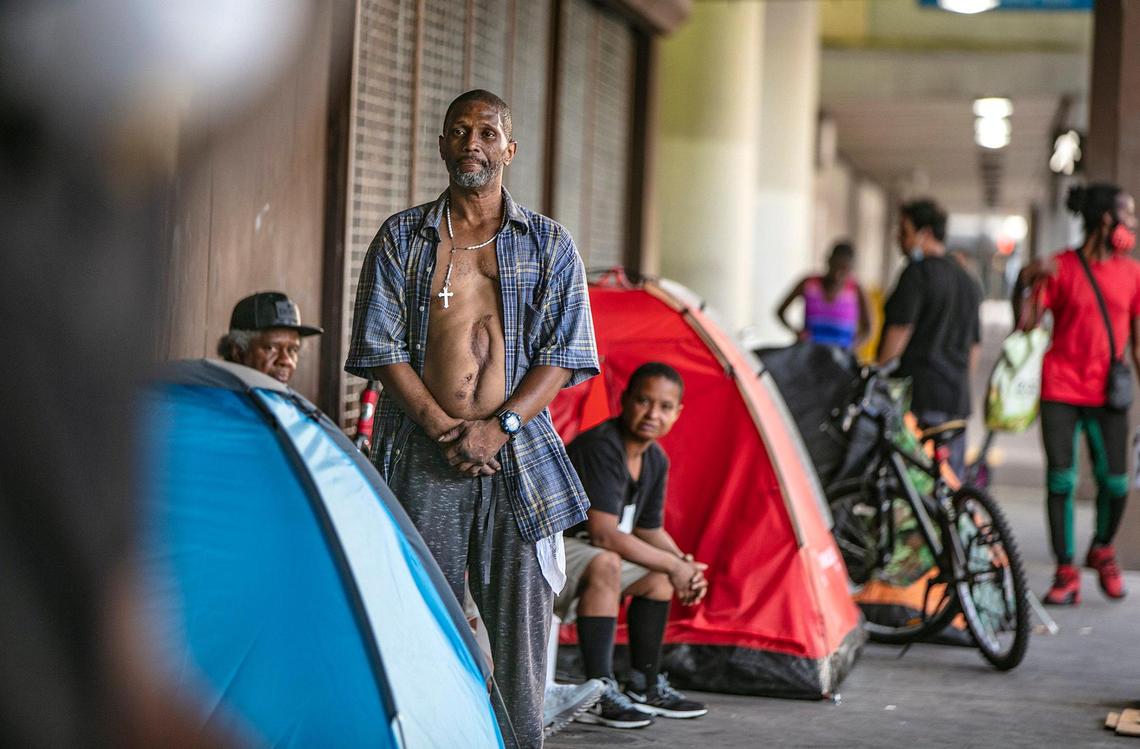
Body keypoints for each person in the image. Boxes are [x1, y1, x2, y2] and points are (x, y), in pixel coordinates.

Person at [344, 89, 598, 747]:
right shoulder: (404, 237)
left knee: (521, 632)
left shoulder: (548, 243)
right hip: (425, 456)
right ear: (442, 146)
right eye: (459, 131)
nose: (472, 144)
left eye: (487, 132)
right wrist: (441, 426)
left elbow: (564, 355)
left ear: (509, 149)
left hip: (518, 457)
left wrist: (499, 426)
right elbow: (380, 347)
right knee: (419, 618)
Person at [555, 363, 709, 729]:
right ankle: (597, 692)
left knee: (659, 578)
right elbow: (603, 534)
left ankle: (645, 684)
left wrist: (683, 566)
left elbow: (648, 529)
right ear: (624, 400)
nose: (652, 414)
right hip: (552, 550)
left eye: (665, 406)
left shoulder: (655, 458)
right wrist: (676, 566)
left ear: (677, 413)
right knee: (607, 560)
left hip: (590, 553)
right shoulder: (602, 447)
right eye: (643, 401)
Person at [1013, 183, 1140, 605]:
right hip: (1061, 389)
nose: (1133, 223)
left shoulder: (1132, 273)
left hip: (1109, 393)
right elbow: (1027, 325)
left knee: (1117, 483)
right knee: (1061, 480)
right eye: (1129, 214)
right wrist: (1024, 280)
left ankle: (1102, 548)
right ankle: (1066, 569)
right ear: (1107, 219)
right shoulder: (1062, 268)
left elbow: (1138, 344)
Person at [877, 198, 982, 478]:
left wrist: (876, 378)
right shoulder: (967, 280)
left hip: (920, 398)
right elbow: (974, 347)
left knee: (914, 481)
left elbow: (900, 331)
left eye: (904, 231)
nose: (899, 238)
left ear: (924, 234)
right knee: (950, 481)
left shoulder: (917, 274)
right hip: (956, 403)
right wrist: (958, 382)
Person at [775, 241, 871, 350]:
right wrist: (797, 332)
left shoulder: (855, 290)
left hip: (841, 355)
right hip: (809, 351)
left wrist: (852, 347)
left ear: (851, 269)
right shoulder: (809, 284)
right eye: (835, 267)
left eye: (844, 270)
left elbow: (867, 328)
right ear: (828, 261)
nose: (837, 275)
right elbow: (780, 311)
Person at [217, 291, 323, 385]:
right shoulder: (217, 401)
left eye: (292, 350)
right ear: (238, 352)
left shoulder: (287, 402)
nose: (286, 361)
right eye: (270, 348)